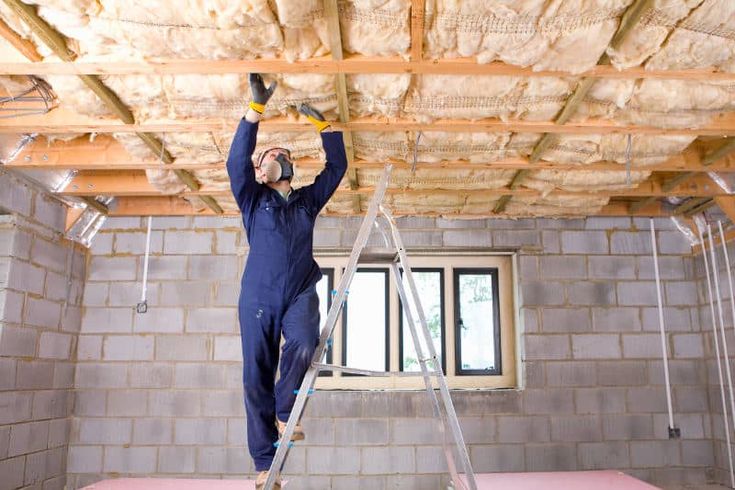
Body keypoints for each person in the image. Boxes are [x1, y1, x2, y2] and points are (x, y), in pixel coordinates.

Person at [226, 73, 348, 489]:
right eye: (270, 154)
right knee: (255, 377)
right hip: (257, 299)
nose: (278, 156)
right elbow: (234, 163)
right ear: (261, 171)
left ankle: (284, 412)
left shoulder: (306, 202)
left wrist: (325, 128)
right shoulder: (253, 199)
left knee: (304, 341)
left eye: (283, 152)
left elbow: (338, 168)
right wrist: (254, 111)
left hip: (299, 292)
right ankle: (265, 466)